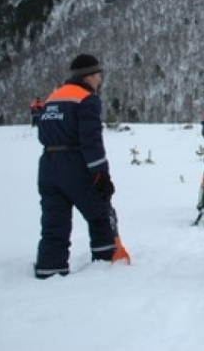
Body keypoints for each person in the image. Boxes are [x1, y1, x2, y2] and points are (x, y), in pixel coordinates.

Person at [34, 54, 129, 279]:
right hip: (75, 164)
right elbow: (91, 140)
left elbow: (43, 132)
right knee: (99, 212)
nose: (99, 80)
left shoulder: (53, 97)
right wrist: (100, 174)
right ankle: (106, 260)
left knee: (54, 222)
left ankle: (49, 267)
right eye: (98, 75)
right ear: (88, 76)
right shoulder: (87, 99)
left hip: (47, 165)